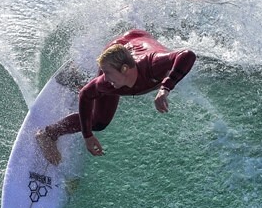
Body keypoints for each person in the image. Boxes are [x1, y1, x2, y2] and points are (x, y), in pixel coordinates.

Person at [36, 29, 196, 165]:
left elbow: (187, 55)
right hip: (119, 49)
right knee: (98, 121)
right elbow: (86, 95)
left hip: (138, 42)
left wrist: (165, 87)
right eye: (103, 73)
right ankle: (48, 134)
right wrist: (88, 136)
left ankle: (74, 77)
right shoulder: (108, 82)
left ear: (125, 69)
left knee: (101, 87)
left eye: (108, 74)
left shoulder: (152, 65)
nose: (105, 79)